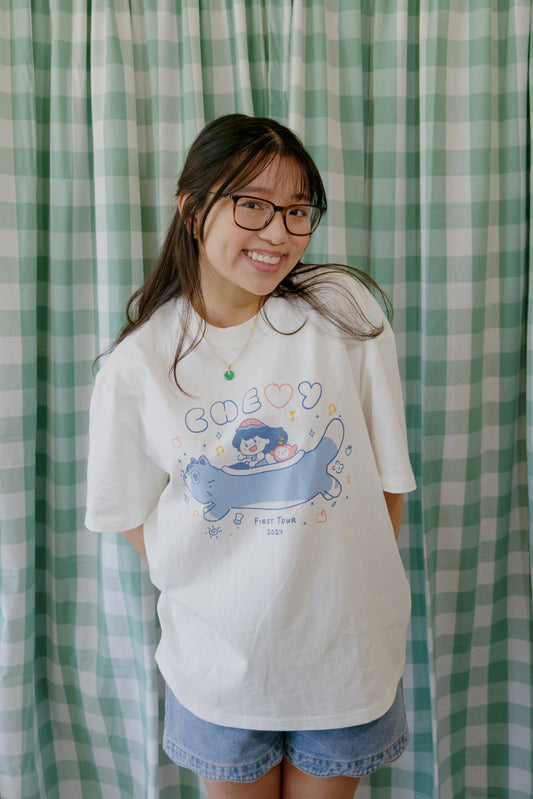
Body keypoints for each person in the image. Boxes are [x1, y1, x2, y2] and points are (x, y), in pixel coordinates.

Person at [85, 114, 416, 799]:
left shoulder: (343, 312)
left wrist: (333, 586)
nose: (278, 233)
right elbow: (124, 511)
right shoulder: (139, 364)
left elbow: (387, 478)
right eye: (253, 205)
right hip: (218, 666)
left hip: (344, 651)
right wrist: (217, 580)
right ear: (192, 210)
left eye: (297, 211)